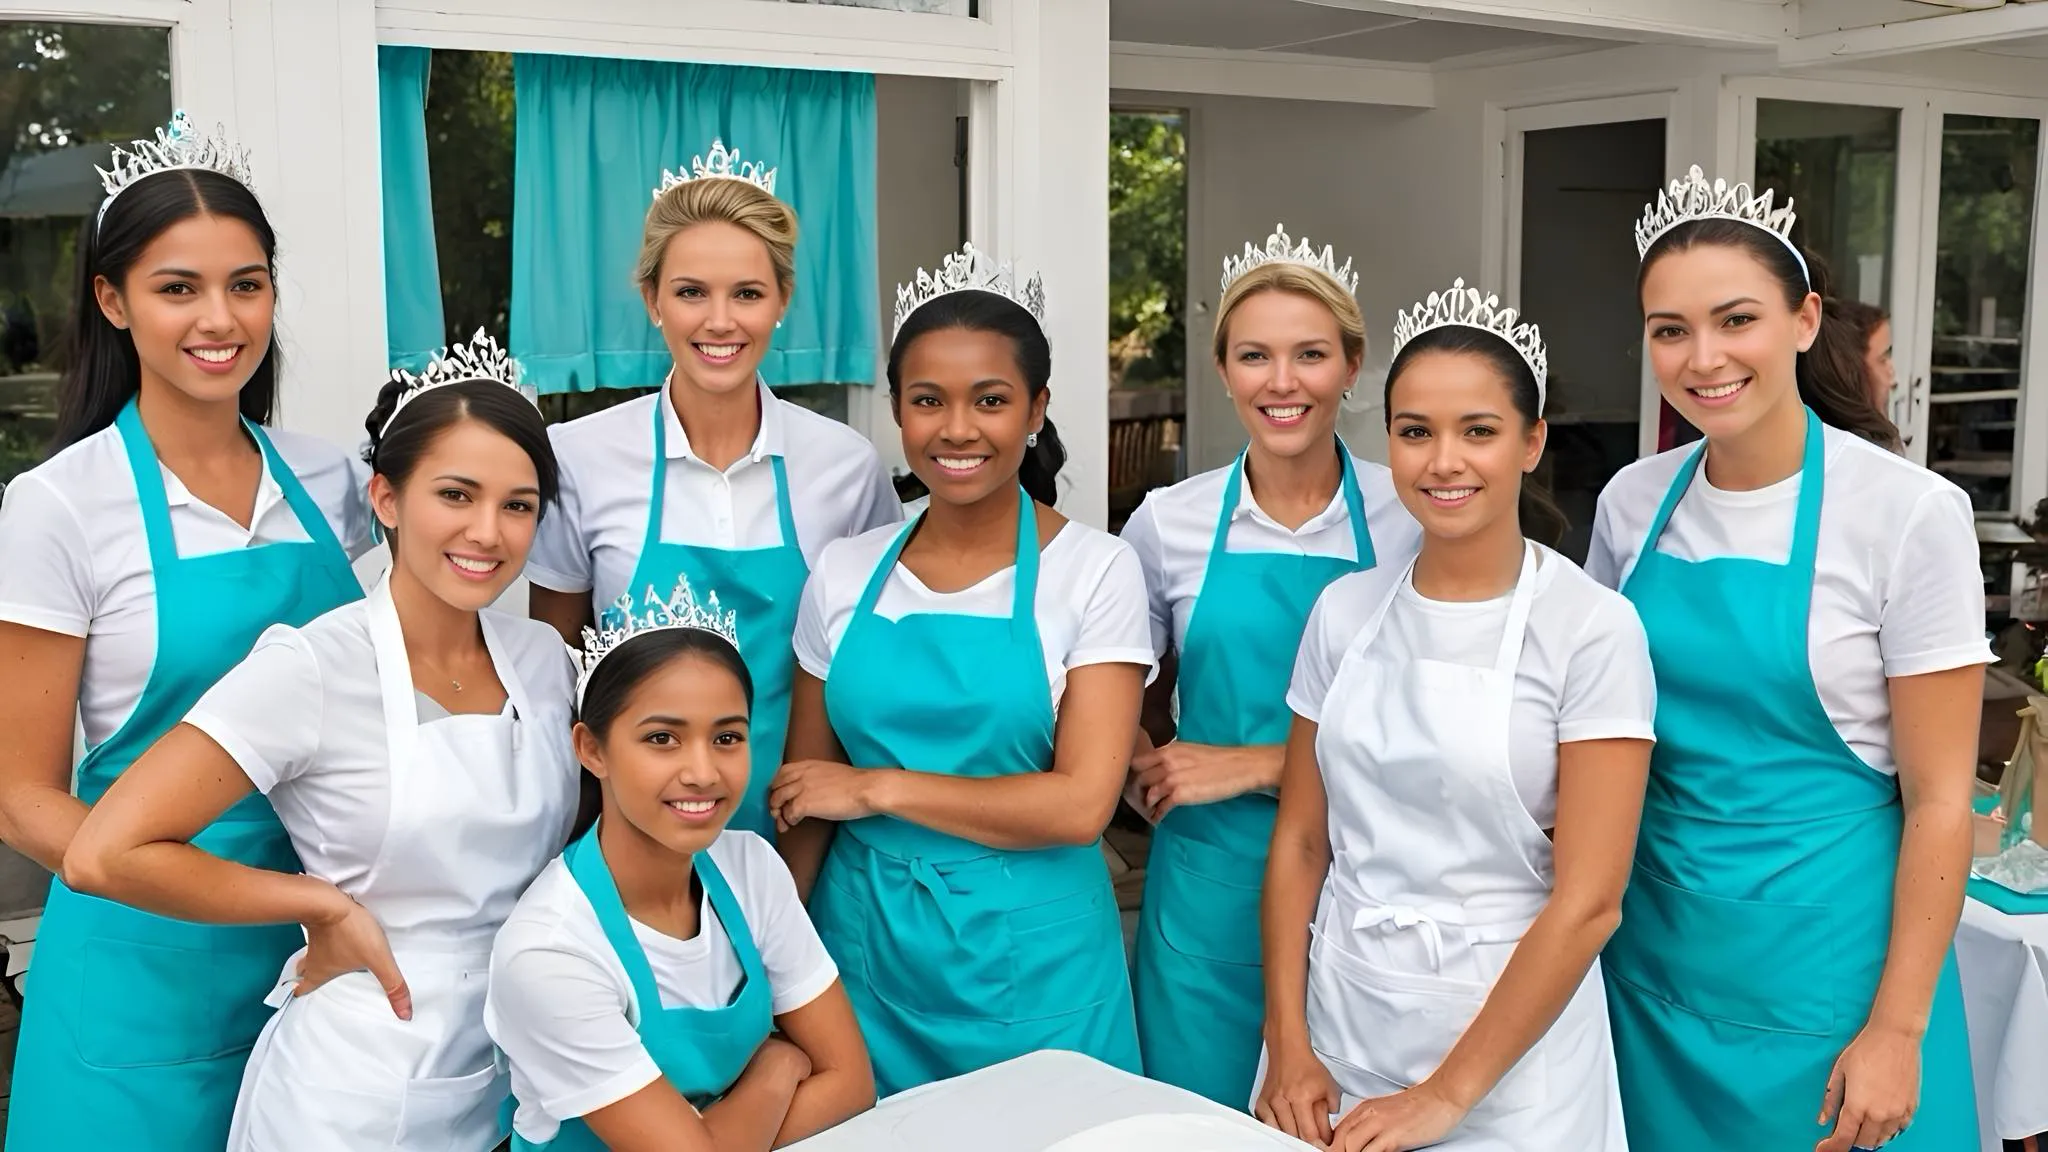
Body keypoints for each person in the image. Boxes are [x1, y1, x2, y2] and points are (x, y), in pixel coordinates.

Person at [64, 333, 581, 1150]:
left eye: (518, 505)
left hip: (512, 1070)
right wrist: (318, 905)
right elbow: (106, 851)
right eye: (456, 494)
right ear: (385, 498)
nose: (488, 531)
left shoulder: (545, 663)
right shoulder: (311, 665)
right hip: (352, 1091)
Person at [0, 113, 373, 1152]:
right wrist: (202, 887)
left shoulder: (334, 484)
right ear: (112, 302)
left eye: (246, 284)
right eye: (179, 288)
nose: (221, 318)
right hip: (139, 956)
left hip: (316, 940)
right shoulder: (58, 506)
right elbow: (21, 796)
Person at [1593, 166, 1982, 1152]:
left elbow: (1940, 801)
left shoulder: (1906, 514)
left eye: (1735, 321)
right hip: (1651, 958)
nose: (1701, 357)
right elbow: (1593, 731)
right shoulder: (1629, 504)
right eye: (1668, 329)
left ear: (1804, 321)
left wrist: (1896, 1029)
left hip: (1831, 977)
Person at [1256, 280, 1653, 1152]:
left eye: (1478, 431)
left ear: (1531, 440)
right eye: (1415, 432)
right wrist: (1286, 1041)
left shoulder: (1589, 628)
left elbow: (1589, 901)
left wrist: (1444, 1095)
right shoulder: (1344, 613)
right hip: (1340, 1022)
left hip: (1513, 1061)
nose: (1444, 462)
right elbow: (1300, 842)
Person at [772, 245, 1150, 1097]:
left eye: (991, 401)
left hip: (1039, 962)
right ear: (898, 413)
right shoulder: (842, 572)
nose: (957, 429)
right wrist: (776, 964)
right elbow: (804, 794)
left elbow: (1081, 805)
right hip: (862, 951)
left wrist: (877, 789)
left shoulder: (1095, 571)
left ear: (1035, 409)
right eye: (927, 401)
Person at [1120, 224, 1420, 1109]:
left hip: (1372, 876)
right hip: (1206, 890)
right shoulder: (1166, 523)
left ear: (1353, 366)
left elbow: (1441, 723)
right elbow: (1114, 702)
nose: (1281, 382)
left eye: (1310, 355)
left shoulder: (1410, 518)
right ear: (1223, 371)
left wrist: (1252, 765)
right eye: (1255, 355)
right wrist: (1146, 771)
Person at [527, 140, 900, 841]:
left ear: (783, 301)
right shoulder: (580, 459)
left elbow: (862, 676)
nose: (720, 321)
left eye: (748, 294)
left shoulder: (845, 468)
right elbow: (557, 676)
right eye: (691, 292)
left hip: (800, 836)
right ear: (652, 301)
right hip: (628, 839)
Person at [489, 578, 873, 1150]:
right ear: (592, 749)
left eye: (727, 738)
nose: (702, 772)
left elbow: (852, 1084)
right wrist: (778, 1067)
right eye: (663, 738)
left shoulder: (750, 868)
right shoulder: (551, 952)